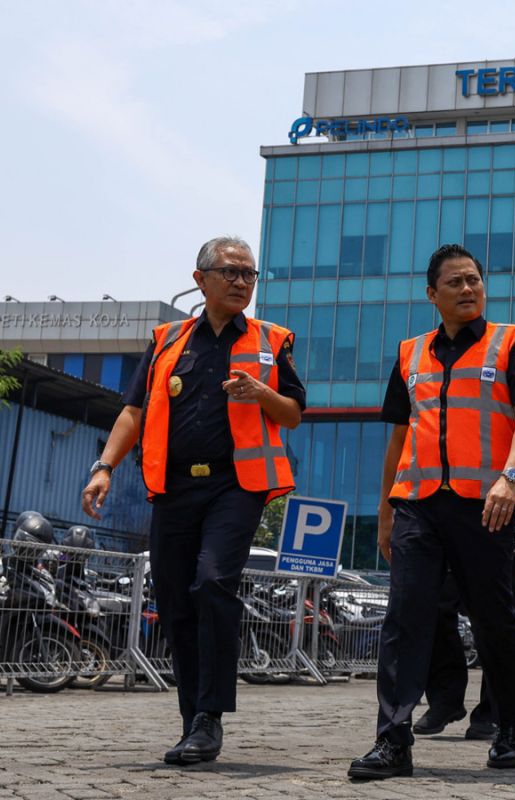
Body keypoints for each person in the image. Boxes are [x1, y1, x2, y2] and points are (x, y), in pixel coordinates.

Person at [81, 236, 305, 765]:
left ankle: (210, 716)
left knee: (213, 582)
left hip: (238, 485)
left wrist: (262, 394)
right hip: (174, 486)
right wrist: (104, 467)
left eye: (250, 274)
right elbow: (133, 411)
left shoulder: (273, 340)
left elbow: (294, 412)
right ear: (200, 278)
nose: (242, 282)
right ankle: (192, 723)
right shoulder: (167, 340)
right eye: (231, 272)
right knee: (177, 603)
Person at [348, 243, 515, 780]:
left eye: (475, 280)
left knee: (493, 619)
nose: (468, 289)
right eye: (455, 282)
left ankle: (510, 721)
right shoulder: (409, 353)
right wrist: (387, 512)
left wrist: (510, 478)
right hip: (418, 505)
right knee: (405, 618)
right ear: (431, 294)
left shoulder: (513, 342)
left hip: (488, 506)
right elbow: (397, 437)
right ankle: (392, 740)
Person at [410, 406, 515, 741]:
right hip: (452, 523)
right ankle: (446, 697)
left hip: (509, 530)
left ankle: (492, 712)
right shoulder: (455, 389)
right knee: (434, 606)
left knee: (492, 620)